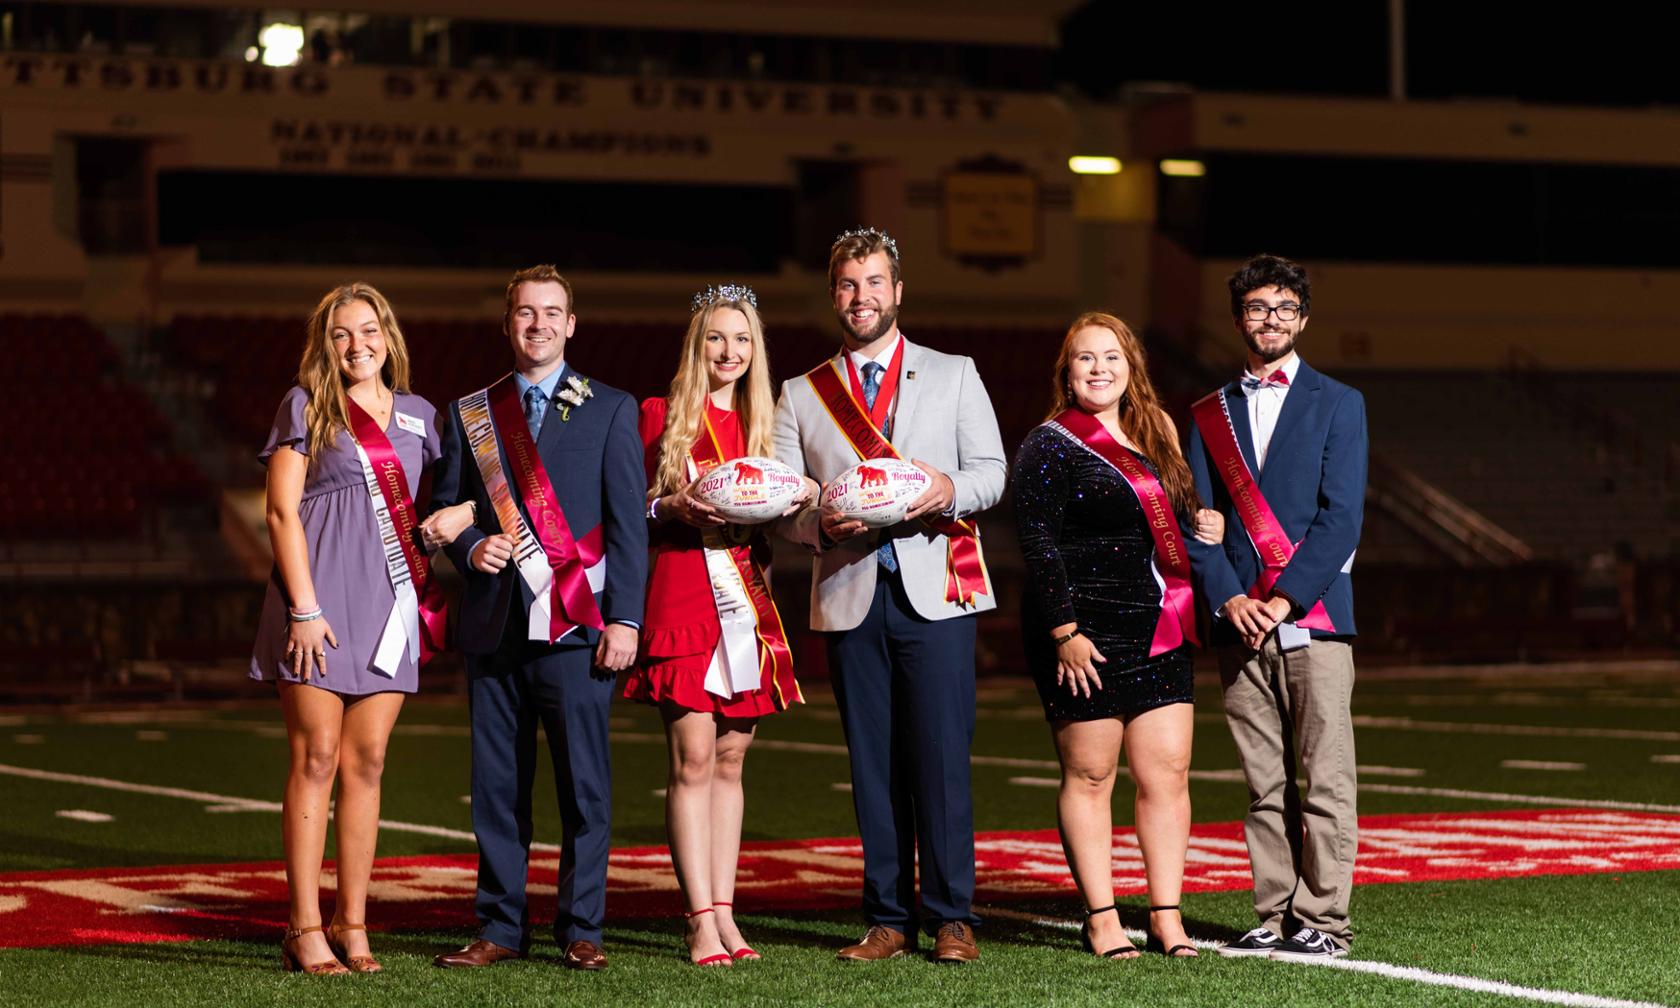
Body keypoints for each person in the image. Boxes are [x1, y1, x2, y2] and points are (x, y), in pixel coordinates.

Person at [773, 228, 1006, 964]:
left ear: (898, 291)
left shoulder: (955, 372)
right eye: (848, 284)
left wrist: (946, 488)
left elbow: (993, 471)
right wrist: (816, 522)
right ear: (833, 294)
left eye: (874, 282)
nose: (861, 296)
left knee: (940, 758)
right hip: (849, 590)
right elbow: (781, 503)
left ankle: (951, 916)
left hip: (939, 587)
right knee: (871, 761)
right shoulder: (801, 393)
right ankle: (884, 918)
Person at [429, 265, 648, 971]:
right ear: (507, 323)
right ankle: (499, 927)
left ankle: (583, 928)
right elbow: (446, 509)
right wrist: (469, 546)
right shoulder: (470, 413)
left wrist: (627, 622)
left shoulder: (611, 408)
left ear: (572, 323)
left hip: (579, 629)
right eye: (526, 313)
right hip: (494, 625)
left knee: (584, 785)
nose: (539, 325)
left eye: (552, 313)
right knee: (498, 787)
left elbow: (627, 532)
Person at [251, 282, 474, 974]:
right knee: (315, 757)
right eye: (343, 333)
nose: (358, 345)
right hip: (316, 605)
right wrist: (304, 609)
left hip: (388, 605)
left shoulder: (419, 416)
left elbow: (441, 505)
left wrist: (463, 517)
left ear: (389, 336)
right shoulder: (306, 405)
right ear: (327, 343)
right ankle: (304, 926)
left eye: (369, 330)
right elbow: (281, 513)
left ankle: (354, 923)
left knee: (367, 764)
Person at [1012, 312, 1226, 960]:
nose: (1098, 369)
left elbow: (1177, 519)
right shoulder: (1047, 444)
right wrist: (1065, 631)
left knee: (1167, 773)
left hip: (1157, 621)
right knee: (1091, 772)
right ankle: (1102, 917)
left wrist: (1204, 522)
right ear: (1066, 371)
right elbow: (1037, 543)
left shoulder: (1156, 428)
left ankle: (1166, 916)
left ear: (1131, 365)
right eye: (1085, 359)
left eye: (1110, 356)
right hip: (1080, 627)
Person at [1185, 254, 1367, 962]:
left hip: (1315, 620)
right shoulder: (1207, 413)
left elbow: (1342, 516)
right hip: (1239, 623)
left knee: (1325, 775)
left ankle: (1325, 918)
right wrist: (1231, 597)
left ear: (1303, 319)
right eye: (1258, 308)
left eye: (1284, 308)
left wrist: (1283, 598)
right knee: (1263, 782)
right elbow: (1200, 520)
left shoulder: (1340, 402)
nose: (1271, 320)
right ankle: (1273, 909)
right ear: (1238, 320)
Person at [624, 284, 811, 966]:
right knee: (693, 758)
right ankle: (698, 918)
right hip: (680, 593)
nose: (729, 352)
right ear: (695, 346)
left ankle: (727, 914)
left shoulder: (768, 425)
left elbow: (788, 517)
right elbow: (628, 512)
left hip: (748, 603)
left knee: (732, 759)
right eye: (716, 339)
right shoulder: (657, 416)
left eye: (742, 341)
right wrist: (671, 506)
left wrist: (805, 501)